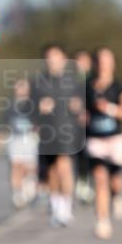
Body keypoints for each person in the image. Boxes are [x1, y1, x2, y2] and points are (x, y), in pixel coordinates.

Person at [85, 48, 122, 239]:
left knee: (115, 181)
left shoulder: (119, 87)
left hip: (116, 140)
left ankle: (117, 195)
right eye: (100, 60)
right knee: (100, 179)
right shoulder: (87, 87)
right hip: (95, 140)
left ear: (113, 63)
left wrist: (109, 109)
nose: (103, 65)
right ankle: (102, 220)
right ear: (95, 63)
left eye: (107, 60)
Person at [31, 45, 82, 228]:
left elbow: (83, 104)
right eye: (49, 57)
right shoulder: (38, 82)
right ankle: (56, 205)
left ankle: (66, 207)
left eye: (56, 56)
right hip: (47, 130)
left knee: (64, 166)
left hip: (68, 130)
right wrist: (39, 109)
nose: (52, 61)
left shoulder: (73, 82)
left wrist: (78, 107)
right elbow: (30, 109)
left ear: (64, 59)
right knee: (52, 170)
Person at [4, 76, 38, 209]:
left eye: (23, 86)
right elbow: (3, 121)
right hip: (15, 138)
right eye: (18, 86)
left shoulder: (33, 104)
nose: (20, 89)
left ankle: (29, 186)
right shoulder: (10, 104)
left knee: (29, 167)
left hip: (30, 138)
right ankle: (17, 194)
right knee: (16, 166)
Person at [73, 50, 94, 203]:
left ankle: (89, 183)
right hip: (75, 125)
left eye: (84, 61)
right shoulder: (70, 80)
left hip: (94, 125)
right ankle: (82, 184)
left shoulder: (95, 79)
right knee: (81, 155)